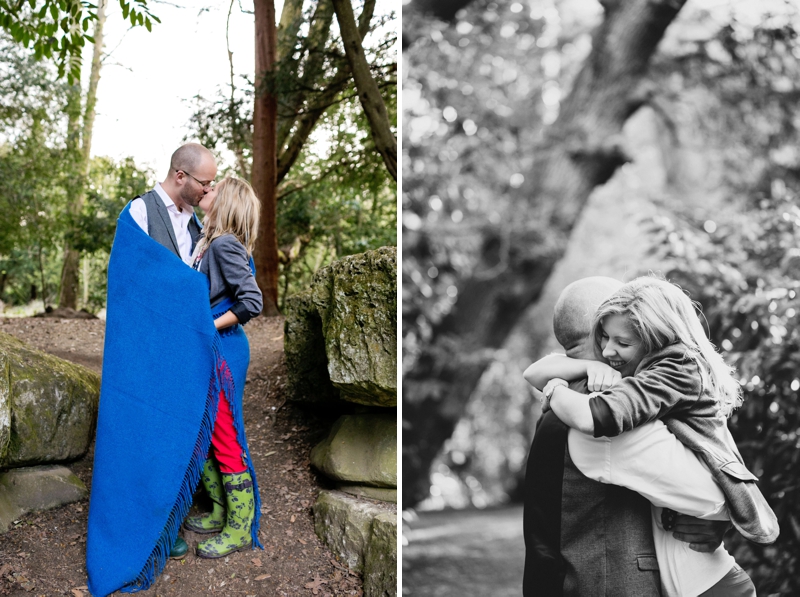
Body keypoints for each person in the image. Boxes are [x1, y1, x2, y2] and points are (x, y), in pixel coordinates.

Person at [526, 275, 779, 595]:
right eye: (607, 337)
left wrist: (556, 387)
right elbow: (710, 496)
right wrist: (720, 515)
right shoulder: (602, 411)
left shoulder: (563, 409)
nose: (611, 349)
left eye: (625, 340)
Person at [86, 146, 253, 596]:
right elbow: (130, 285)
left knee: (184, 432)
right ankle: (154, 529)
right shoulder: (139, 213)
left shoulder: (202, 227)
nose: (209, 189)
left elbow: (208, 290)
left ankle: (178, 518)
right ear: (181, 177)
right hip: (148, 353)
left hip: (191, 352)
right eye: (204, 182)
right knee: (145, 435)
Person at [182, 177, 263, 558]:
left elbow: (252, 301)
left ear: (226, 201)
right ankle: (218, 511)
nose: (206, 191)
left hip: (225, 350)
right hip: (211, 349)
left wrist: (206, 326)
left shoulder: (226, 244)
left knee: (226, 438)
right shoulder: (209, 242)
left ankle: (240, 528)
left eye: (213, 189)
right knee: (211, 434)